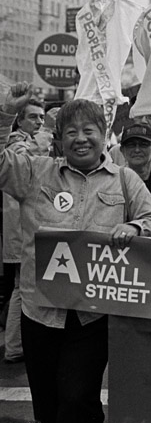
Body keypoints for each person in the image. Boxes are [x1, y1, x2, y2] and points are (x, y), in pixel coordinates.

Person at [0, 87, 151, 423]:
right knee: (47, 405)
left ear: (104, 136)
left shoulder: (125, 180)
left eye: (89, 131)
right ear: (59, 140)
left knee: (77, 398)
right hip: (39, 311)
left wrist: (135, 228)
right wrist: (5, 113)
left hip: (93, 316)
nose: (81, 139)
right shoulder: (35, 172)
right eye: (71, 132)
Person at [2, 85, 53, 364]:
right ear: (19, 119)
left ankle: (14, 345)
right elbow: (23, 161)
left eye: (42, 118)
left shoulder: (27, 140)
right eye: (34, 117)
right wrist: (41, 140)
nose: (39, 123)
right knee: (21, 288)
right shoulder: (16, 142)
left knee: (21, 287)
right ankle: (13, 347)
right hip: (19, 232)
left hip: (23, 230)